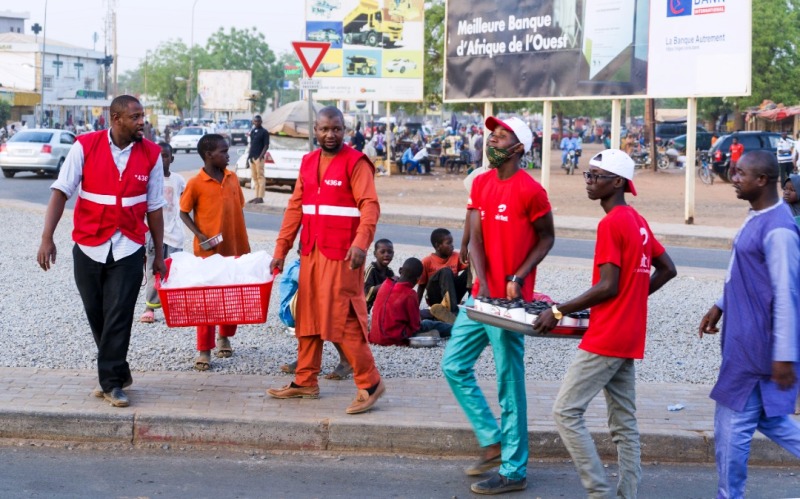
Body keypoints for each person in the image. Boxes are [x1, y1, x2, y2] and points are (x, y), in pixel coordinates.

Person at [534, 149, 677, 498]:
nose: (589, 181)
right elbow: (668, 269)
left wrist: (557, 310)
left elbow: (607, 286)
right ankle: (628, 493)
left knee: (565, 411)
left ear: (617, 182)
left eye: (596, 176)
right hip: (629, 335)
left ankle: (599, 492)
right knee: (624, 424)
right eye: (588, 174)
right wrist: (633, 298)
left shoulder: (611, 223)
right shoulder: (638, 221)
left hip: (607, 337)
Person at [442, 116, 555, 495]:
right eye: (492, 132)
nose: (492, 137)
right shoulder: (481, 183)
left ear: (519, 147)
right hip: (481, 297)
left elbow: (547, 238)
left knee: (509, 385)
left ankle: (514, 469)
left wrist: (518, 277)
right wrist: (483, 285)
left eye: (501, 134)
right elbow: (474, 235)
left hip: (511, 303)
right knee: (454, 365)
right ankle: (492, 441)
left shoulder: (532, 191)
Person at [37, 95, 166, 408]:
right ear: (116, 118)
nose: (141, 122)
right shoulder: (85, 146)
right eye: (135, 117)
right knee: (98, 314)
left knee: (119, 314)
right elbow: (61, 191)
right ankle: (119, 371)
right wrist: (47, 238)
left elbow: (155, 208)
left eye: (142, 116)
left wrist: (158, 254)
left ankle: (110, 384)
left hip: (129, 245)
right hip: (88, 245)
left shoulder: (152, 154)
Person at [267, 106, 385, 415]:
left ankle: (370, 383)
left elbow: (370, 206)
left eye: (336, 129)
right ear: (314, 130)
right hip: (311, 253)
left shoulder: (356, 163)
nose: (330, 134)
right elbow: (295, 209)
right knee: (307, 316)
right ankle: (305, 380)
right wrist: (281, 250)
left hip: (344, 256)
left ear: (344, 130)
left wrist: (361, 244)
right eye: (324, 129)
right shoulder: (307, 163)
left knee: (343, 319)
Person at [698, 150, 800, 498]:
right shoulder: (756, 216)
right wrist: (720, 305)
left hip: (754, 350)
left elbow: (787, 294)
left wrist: (785, 355)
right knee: (772, 421)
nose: (733, 177)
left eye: (740, 173)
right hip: (745, 341)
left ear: (763, 180)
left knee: (730, 432)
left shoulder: (781, 230)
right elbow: (745, 272)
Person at [179, 134, 251, 371]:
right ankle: (203, 350)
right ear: (209, 155)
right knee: (206, 300)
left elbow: (238, 208)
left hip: (235, 247)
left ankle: (225, 336)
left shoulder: (232, 178)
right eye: (223, 151)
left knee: (231, 296)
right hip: (207, 252)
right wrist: (200, 236)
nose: (228, 155)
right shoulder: (195, 183)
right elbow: (183, 212)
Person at [139, 142, 186, 323]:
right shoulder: (148, 180)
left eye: (165, 156)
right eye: (157, 156)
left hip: (174, 234)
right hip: (152, 234)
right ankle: (150, 307)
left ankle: (173, 306)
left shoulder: (178, 180)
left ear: (171, 159)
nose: (161, 159)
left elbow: (186, 204)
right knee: (153, 270)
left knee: (174, 271)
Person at [368, 257, 452, 346]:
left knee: (422, 316)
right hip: (395, 338)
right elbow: (415, 326)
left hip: (375, 337)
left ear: (400, 270)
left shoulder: (385, 284)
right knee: (428, 323)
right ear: (418, 278)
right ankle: (460, 330)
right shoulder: (410, 294)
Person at [417, 228, 468, 324]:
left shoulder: (456, 256)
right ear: (438, 246)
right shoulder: (427, 261)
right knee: (445, 271)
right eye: (448, 243)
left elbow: (470, 273)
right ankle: (452, 313)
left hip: (454, 296)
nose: (452, 246)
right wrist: (415, 311)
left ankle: (472, 304)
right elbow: (421, 287)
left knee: (471, 269)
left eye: (452, 242)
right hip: (436, 299)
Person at [364, 239, 395, 312]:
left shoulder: (390, 272)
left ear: (393, 254)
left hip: (381, 307)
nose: (386, 254)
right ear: (375, 254)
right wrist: (387, 283)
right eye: (382, 252)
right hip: (366, 308)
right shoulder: (371, 269)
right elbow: (367, 292)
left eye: (389, 252)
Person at [246, 115, 270, 204]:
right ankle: (256, 196)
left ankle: (260, 197)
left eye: (258, 121)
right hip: (252, 157)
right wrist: (248, 158)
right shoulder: (252, 131)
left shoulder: (264, 132)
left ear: (261, 122)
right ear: (253, 122)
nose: (256, 123)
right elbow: (251, 145)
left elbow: (266, 145)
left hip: (259, 158)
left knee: (260, 177)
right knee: (254, 177)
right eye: (255, 121)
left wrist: (260, 156)